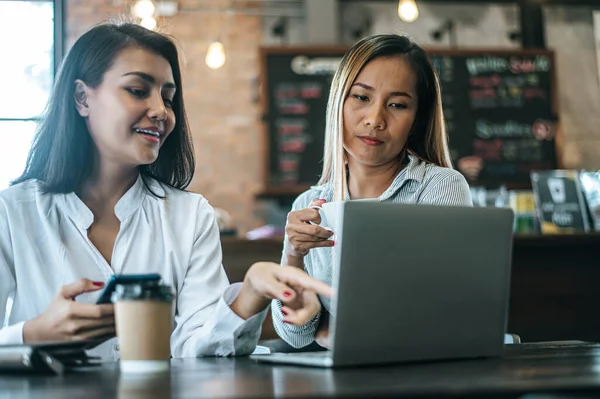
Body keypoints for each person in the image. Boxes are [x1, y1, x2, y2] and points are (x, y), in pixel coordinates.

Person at [0, 21, 331, 360]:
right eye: (138, 90)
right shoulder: (11, 213)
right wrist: (34, 333)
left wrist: (250, 294)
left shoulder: (190, 215)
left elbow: (198, 347)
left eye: (169, 98)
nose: (161, 111)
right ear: (82, 98)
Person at [272, 34, 473, 349]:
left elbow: (437, 314)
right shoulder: (308, 205)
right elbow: (296, 336)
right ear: (339, 101)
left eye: (397, 105)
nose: (375, 119)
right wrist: (293, 256)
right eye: (361, 97)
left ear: (416, 121)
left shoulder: (440, 188)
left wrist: (332, 329)